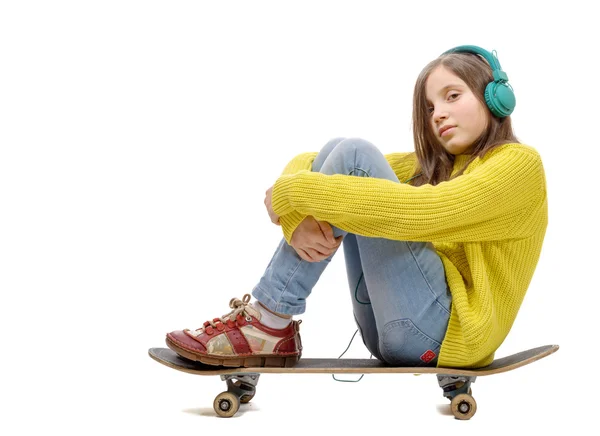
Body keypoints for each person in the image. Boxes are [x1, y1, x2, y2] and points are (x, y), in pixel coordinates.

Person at [165, 45, 548, 369]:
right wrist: (296, 218)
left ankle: (268, 319)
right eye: (430, 107)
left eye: (452, 96)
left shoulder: (517, 165)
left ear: (494, 96)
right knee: (341, 148)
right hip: (388, 328)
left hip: (442, 334)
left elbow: (425, 212)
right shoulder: (437, 166)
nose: (438, 115)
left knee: (356, 157)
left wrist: (293, 194)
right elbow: (312, 158)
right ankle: (268, 322)